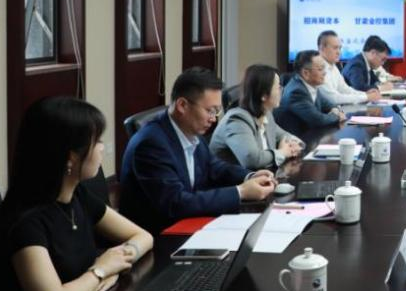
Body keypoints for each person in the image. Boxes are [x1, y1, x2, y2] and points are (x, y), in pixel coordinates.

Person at [0, 97, 153, 291]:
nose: (102, 148)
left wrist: (119, 261)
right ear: (71, 158)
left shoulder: (76, 195)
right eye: (97, 141)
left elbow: (143, 236)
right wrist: (100, 271)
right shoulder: (25, 221)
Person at [119, 67, 275, 234]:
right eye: (210, 110)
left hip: (191, 222)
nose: (214, 119)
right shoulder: (151, 143)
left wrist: (249, 176)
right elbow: (175, 203)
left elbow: (215, 167)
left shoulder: (190, 130)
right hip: (160, 236)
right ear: (182, 105)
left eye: (217, 111)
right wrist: (241, 192)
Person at [210, 64, 304, 170]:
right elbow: (252, 160)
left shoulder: (266, 114)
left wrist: (292, 144)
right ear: (263, 95)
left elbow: (285, 135)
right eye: (278, 87)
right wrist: (282, 152)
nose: (281, 91)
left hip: (262, 176)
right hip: (235, 179)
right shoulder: (237, 120)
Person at [275, 49, 348, 136]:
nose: (325, 73)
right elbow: (318, 120)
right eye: (320, 69)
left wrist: (336, 109)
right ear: (306, 73)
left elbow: (328, 104)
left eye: (324, 68)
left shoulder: (311, 85)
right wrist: (337, 116)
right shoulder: (296, 92)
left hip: (311, 135)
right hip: (297, 139)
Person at [316, 30, 380, 104]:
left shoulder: (332, 66)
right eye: (335, 48)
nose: (339, 52)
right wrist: (366, 97)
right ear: (322, 49)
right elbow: (333, 99)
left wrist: (365, 94)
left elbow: (345, 89)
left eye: (340, 48)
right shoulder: (318, 68)